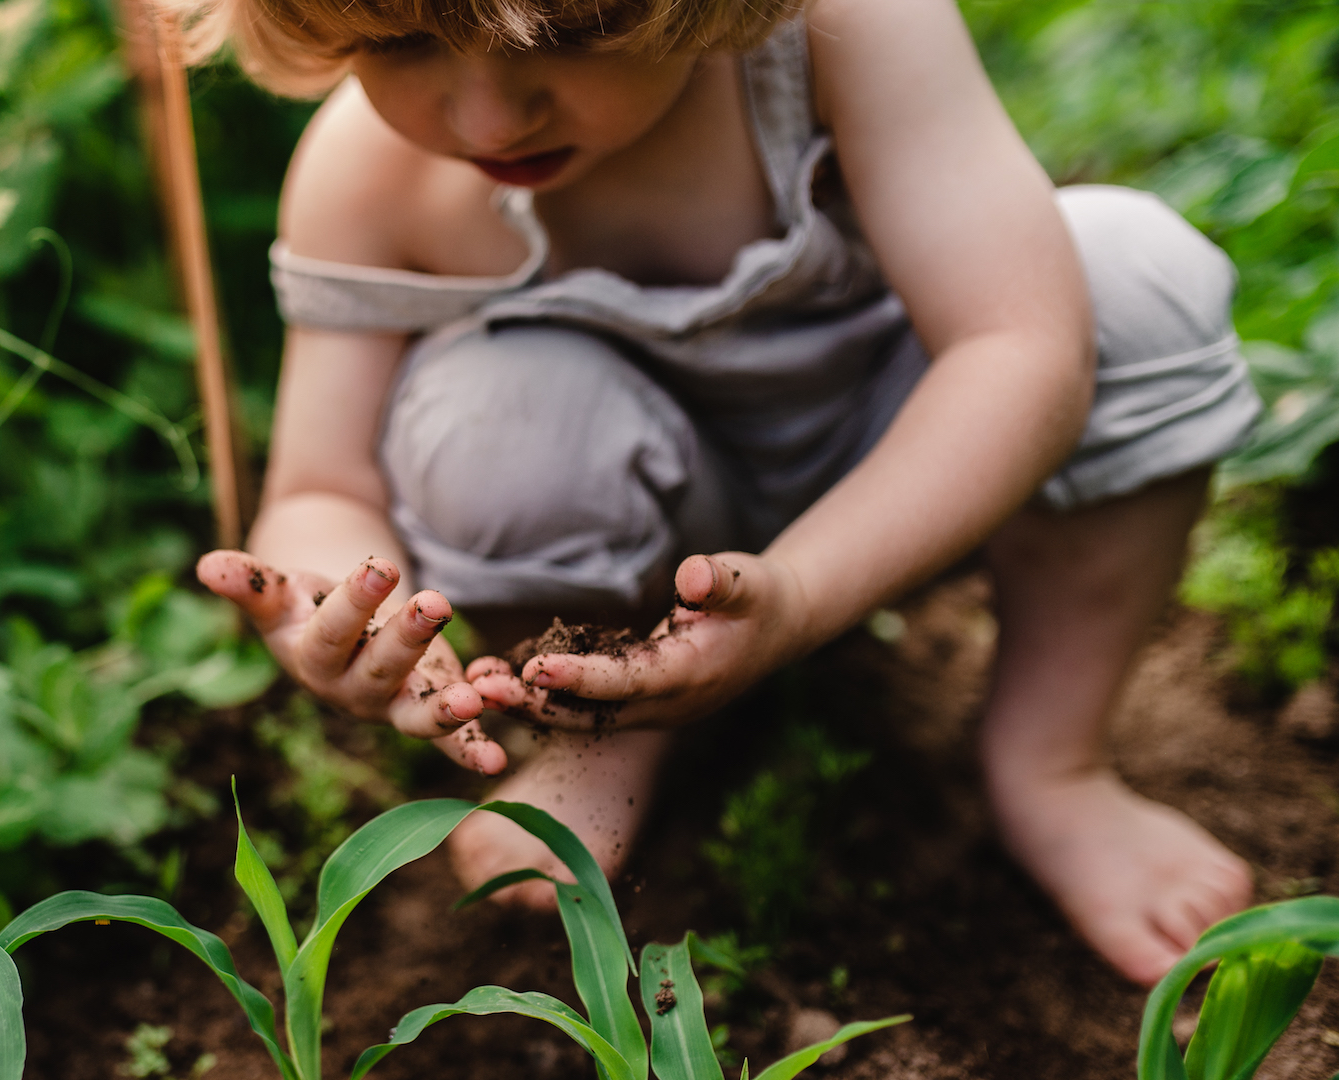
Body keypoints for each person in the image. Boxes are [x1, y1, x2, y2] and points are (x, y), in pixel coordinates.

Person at [181, 0, 1259, 986]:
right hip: (629, 526)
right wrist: (334, 601)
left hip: (910, 471)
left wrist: (797, 592)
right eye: (403, 42)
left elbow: (1015, 347)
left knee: (1125, 280)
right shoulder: (369, 176)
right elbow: (322, 484)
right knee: (492, 418)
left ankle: (1051, 761)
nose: (488, 111)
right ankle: (609, 715)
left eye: (572, 30)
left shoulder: (844, 33)